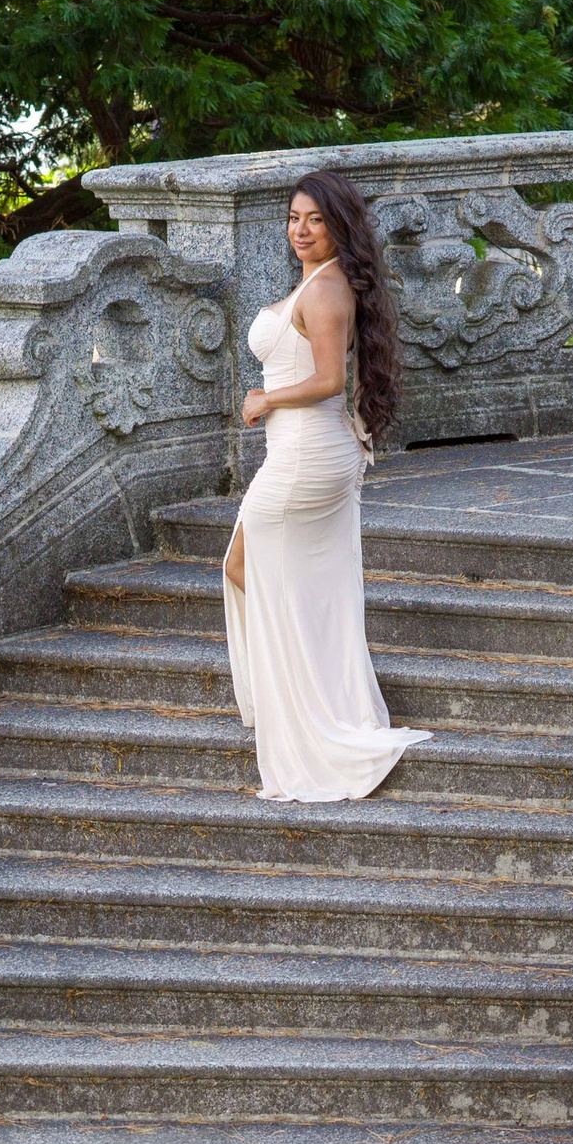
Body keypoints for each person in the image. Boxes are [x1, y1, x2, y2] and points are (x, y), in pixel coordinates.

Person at [221, 175, 432, 805]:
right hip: (302, 451)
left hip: (306, 455)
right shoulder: (318, 282)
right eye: (294, 218)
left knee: (245, 568)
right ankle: (311, 697)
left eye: (314, 219)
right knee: (263, 573)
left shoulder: (328, 288)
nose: (301, 229)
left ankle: (311, 717)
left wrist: (265, 400)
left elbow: (327, 381)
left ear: (338, 225)